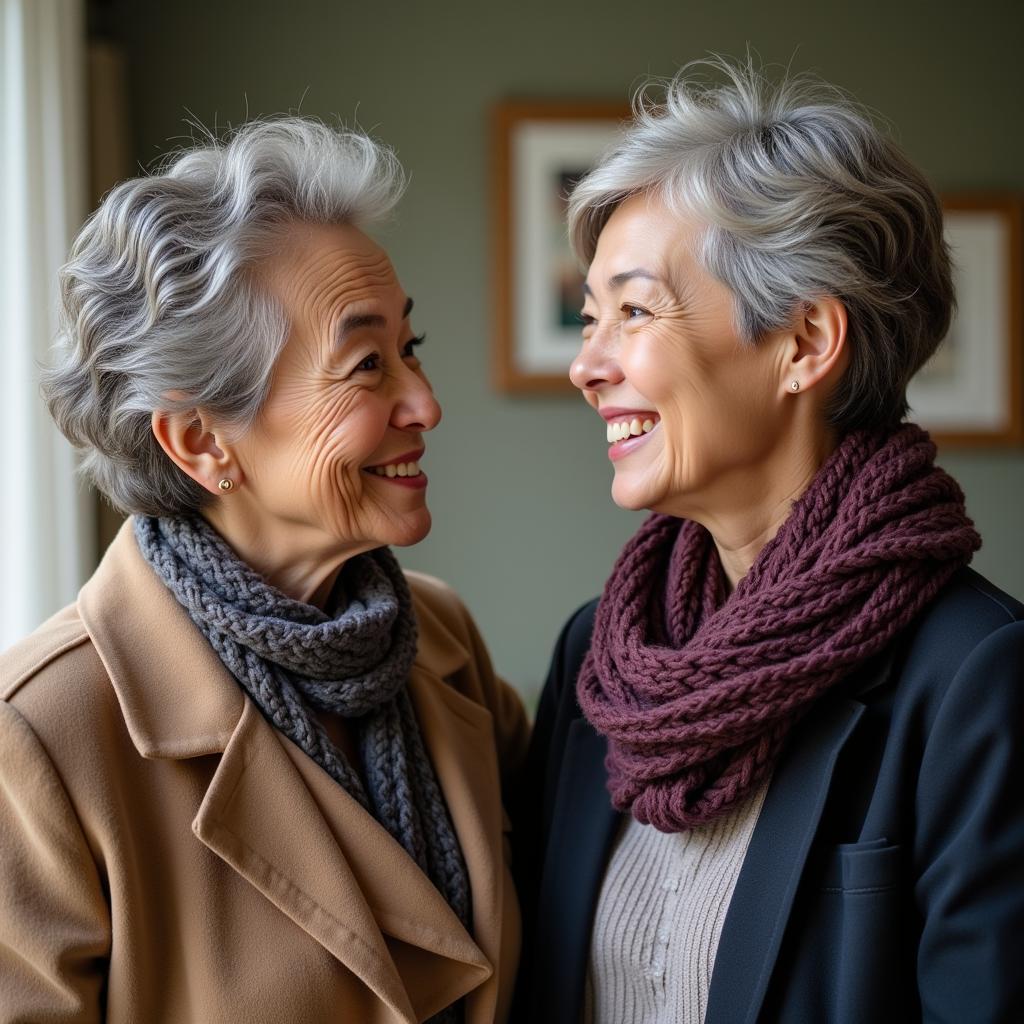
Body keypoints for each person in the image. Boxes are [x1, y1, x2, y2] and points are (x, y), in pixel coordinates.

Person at [514, 59, 1024, 1024]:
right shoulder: (599, 663)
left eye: (633, 310)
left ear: (805, 345)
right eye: (590, 320)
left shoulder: (975, 678)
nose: (587, 365)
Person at [0, 118, 527, 1024]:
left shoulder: (444, 641)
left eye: (413, 347)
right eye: (367, 365)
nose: (425, 403)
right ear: (202, 439)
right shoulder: (41, 735)